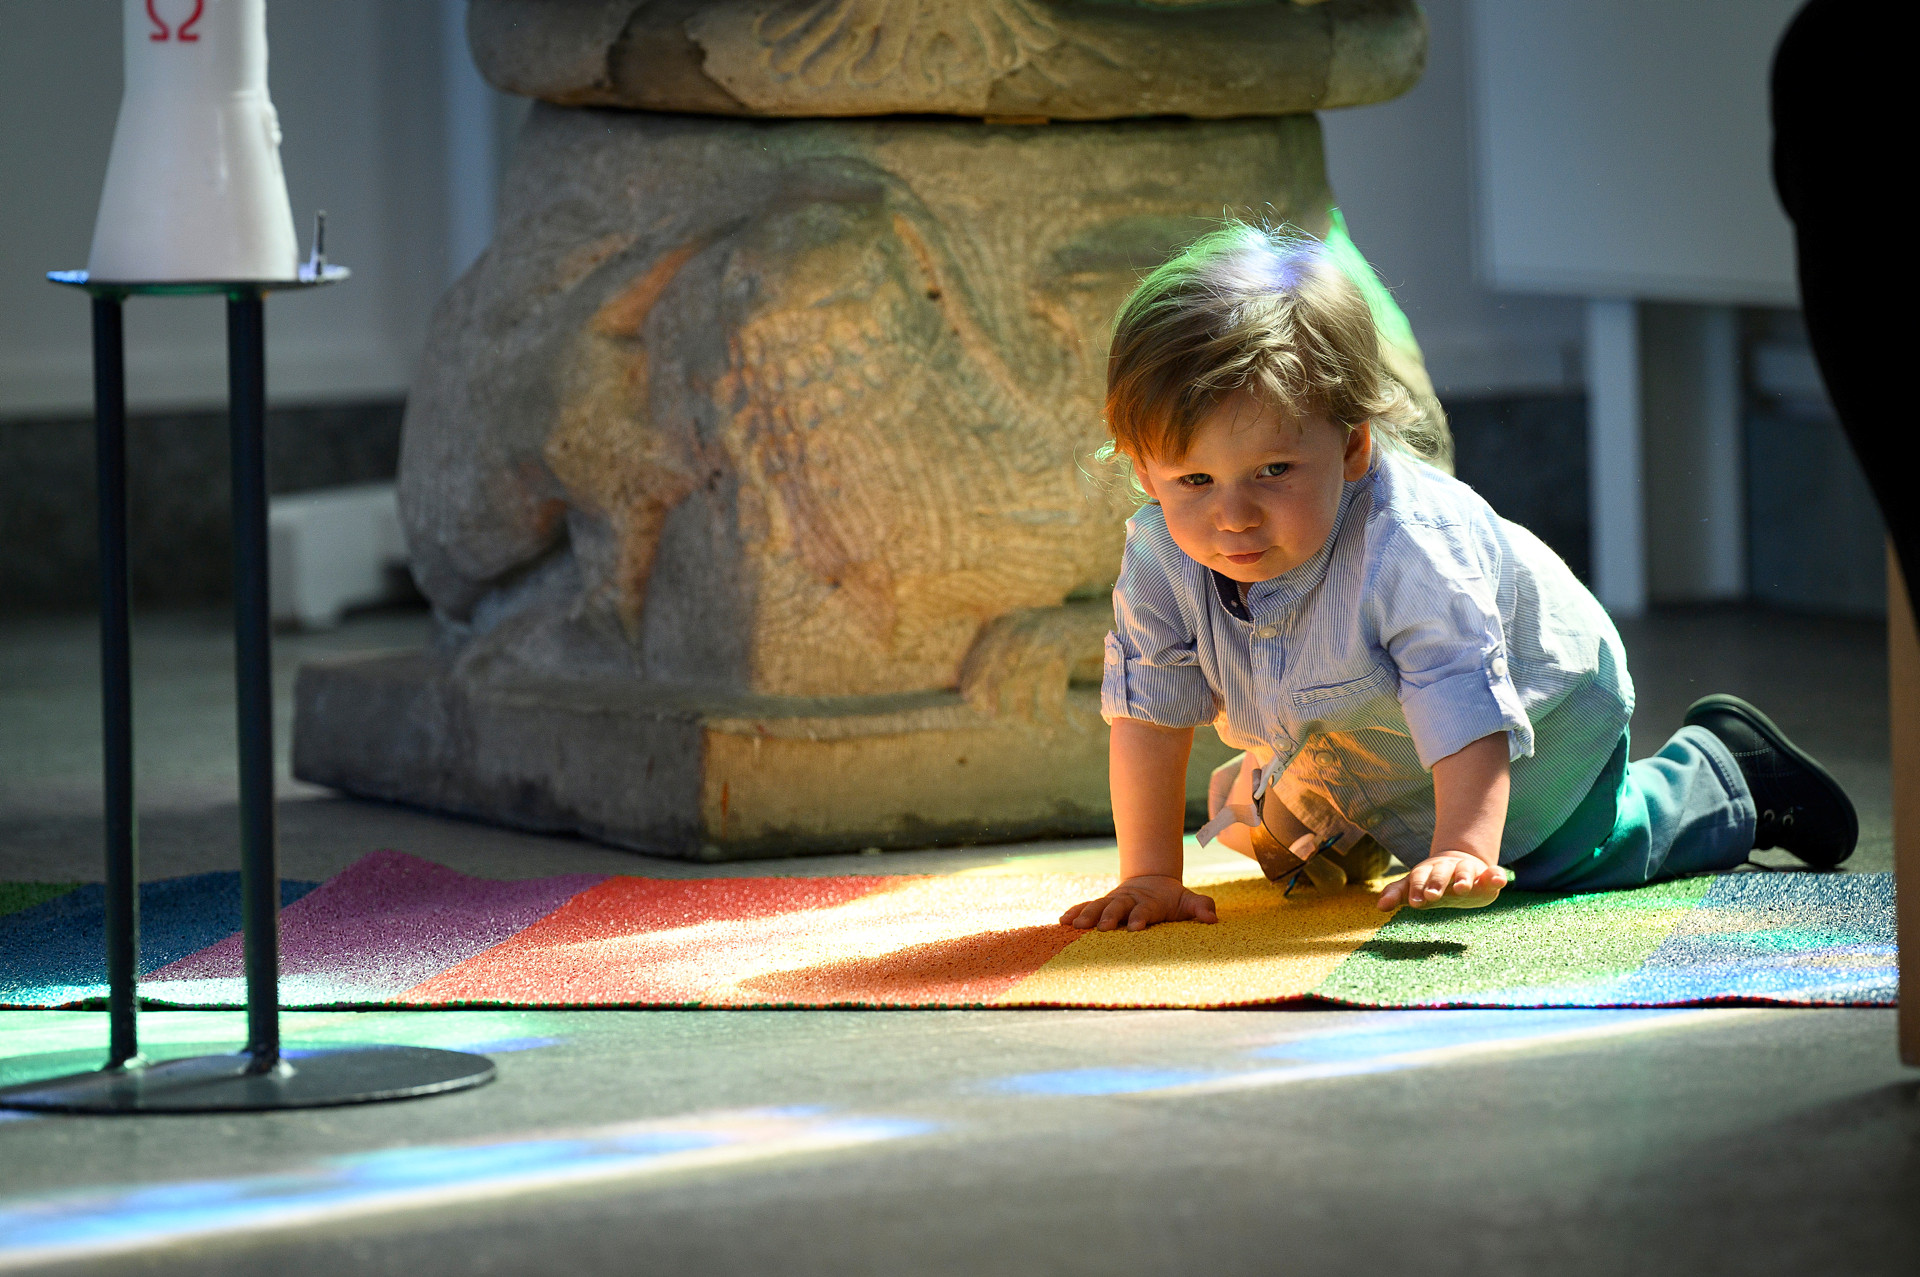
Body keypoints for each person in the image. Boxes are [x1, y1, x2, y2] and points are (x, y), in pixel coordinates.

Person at [1061, 223, 1857, 932]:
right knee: (1275, 843)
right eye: (1194, 481)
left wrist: (1463, 851)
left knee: (1553, 860)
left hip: (1534, 723)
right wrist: (1151, 874)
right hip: (1347, 729)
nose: (1233, 516)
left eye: (1272, 470)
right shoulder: (1161, 552)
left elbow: (1460, 691)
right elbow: (1148, 714)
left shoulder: (1408, 545)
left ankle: (1724, 772)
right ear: (1144, 470)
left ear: (1351, 448)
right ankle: (1358, 815)